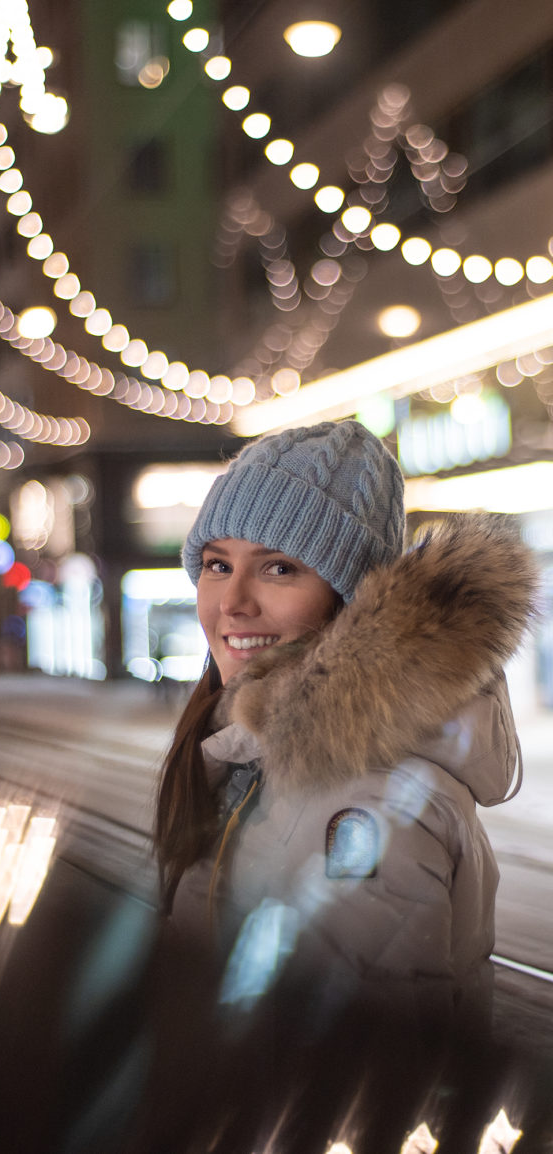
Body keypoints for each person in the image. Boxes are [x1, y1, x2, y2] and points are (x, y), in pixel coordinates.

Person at [150, 419, 538, 1153]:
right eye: (214, 563)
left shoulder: (367, 802)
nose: (231, 602)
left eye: (277, 568)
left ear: (350, 597)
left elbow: (365, 1093)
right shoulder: (249, 757)